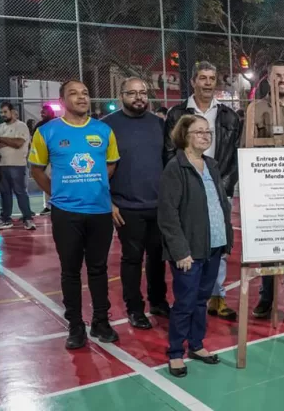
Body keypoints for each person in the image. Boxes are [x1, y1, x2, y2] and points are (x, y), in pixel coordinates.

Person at [29, 80, 121, 349]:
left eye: (85, 93)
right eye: (74, 93)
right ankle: (76, 326)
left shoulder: (104, 130)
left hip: (100, 212)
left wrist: (96, 186)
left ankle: (101, 322)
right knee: (70, 272)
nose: (82, 98)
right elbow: (37, 170)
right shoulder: (46, 132)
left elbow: (111, 164)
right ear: (62, 100)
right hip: (65, 214)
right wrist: (58, 194)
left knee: (98, 269)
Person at [164, 61, 241, 321]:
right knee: (191, 241)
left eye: (212, 78)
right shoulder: (177, 114)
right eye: (203, 78)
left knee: (218, 241)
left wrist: (225, 186)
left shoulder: (229, 115)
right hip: (187, 188)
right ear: (193, 81)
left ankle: (217, 297)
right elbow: (168, 151)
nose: (208, 82)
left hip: (218, 187)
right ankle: (190, 298)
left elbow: (234, 156)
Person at [158, 115, 232, 378]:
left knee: (202, 300)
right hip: (189, 250)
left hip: (214, 245)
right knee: (185, 302)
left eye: (207, 131)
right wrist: (180, 251)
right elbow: (168, 215)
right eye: (198, 132)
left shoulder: (210, 164)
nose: (205, 136)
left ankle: (196, 344)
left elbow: (220, 203)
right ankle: (176, 352)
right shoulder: (175, 168)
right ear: (184, 136)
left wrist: (226, 239)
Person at [243, 60, 284, 318]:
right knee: (268, 244)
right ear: (268, 79)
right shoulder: (255, 109)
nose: (282, 79)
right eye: (277, 76)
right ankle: (266, 297)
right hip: (267, 188)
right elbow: (246, 150)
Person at [102, 78, 170, 329]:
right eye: (132, 93)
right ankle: (134, 308)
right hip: (126, 207)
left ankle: (158, 301)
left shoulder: (159, 125)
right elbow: (99, 169)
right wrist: (109, 202)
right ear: (121, 95)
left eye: (142, 93)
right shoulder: (106, 127)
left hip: (158, 205)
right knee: (132, 259)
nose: (138, 97)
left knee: (157, 257)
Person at [0, 101, 35, 230]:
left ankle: (27, 218)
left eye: (5, 111)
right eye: (1, 112)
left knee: (20, 192)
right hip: (1, 165)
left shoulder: (21, 126)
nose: (3, 114)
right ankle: (5, 218)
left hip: (18, 165)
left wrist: (2, 139)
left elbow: (18, 143)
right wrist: (7, 141)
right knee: (4, 193)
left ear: (12, 112)